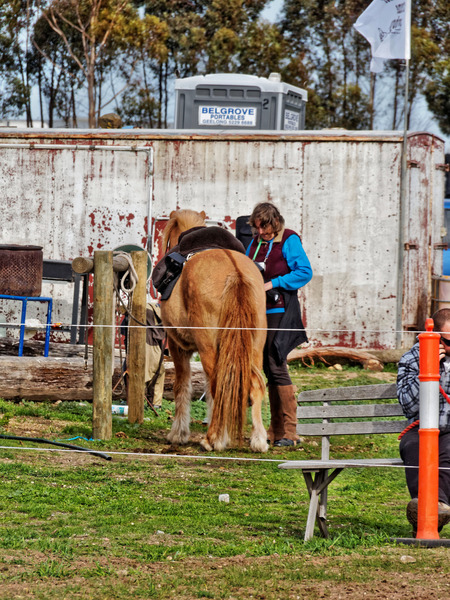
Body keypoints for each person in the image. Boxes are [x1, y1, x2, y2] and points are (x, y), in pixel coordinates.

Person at [246, 202, 312, 447]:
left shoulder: (289, 240)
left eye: (265, 229)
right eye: (257, 229)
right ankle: (274, 431)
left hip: (279, 309)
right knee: (265, 365)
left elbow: (304, 272)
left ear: (274, 223)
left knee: (275, 362)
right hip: (256, 311)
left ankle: (289, 432)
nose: (261, 233)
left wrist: (273, 283)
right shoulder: (254, 243)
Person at [397, 308, 450, 535]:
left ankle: (430, 514)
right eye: (449, 341)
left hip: (449, 431)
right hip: (419, 429)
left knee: (448, 451)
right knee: (413, 447)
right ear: (436, 337)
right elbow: (409, 405)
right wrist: (430, 368)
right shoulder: (411, 359)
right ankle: (430, 512)